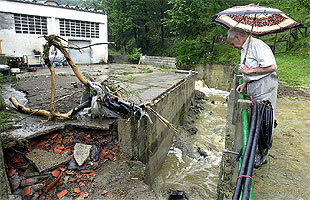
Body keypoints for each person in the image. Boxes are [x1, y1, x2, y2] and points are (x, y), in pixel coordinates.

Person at [227, 27, 278, 168]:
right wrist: (245, 82)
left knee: (264, 120)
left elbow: (272, 66)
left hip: (264, 86)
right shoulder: (245, 47)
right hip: (255, 85)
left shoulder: (257, 45)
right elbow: (252, 66)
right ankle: (253, 149)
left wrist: (249, 71)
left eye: (232, 43)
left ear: (237, 37)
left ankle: (262, 155)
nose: (233, 47)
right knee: (255, 118)